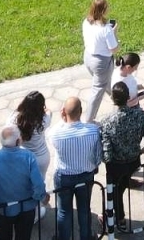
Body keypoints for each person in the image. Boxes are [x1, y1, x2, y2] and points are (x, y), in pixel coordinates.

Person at [98, 82, 144, 231]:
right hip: (133, 162)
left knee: (115, 191)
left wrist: (107, 161)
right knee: (120, 188)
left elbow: (107, 152)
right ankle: (114, 215)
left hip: (115, 165)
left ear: (112, 99)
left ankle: (119, 219)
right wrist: (139, 152)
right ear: (128, 97)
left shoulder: (106, 121)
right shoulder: (140, 115)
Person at [0, 125, 47, 240]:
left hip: (3, 209)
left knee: (4, 235)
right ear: (18, 141)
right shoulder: (29, 156)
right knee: (24, 236)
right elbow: (38, 183)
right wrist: (41, 197)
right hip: (26, 207)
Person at [50, 97, 102, 240]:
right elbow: (98, 156)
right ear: (81, 111)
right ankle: (86, 237)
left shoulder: (56, 134)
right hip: (86, 176)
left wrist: (63, 120)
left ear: (63, 112)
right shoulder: (93, 131)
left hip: (64, 177)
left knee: (64, 211)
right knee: (84, 209)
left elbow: (52, 132)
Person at [82, 0, 119, 123]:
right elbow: (114, 49)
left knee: (104, 82)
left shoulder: (86, 22)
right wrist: (114, 33)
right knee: (97, 91)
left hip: (88, 58)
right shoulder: (106, 29)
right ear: (103, 10)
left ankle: (118, 98)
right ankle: (89, 121)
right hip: (101, 63)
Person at [8, 91, 52, 181]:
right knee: (40, 182)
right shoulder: (44, 120)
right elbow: (49, 112)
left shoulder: (14, 120)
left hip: (23, 158)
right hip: (42, 158)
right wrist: (45, 110)